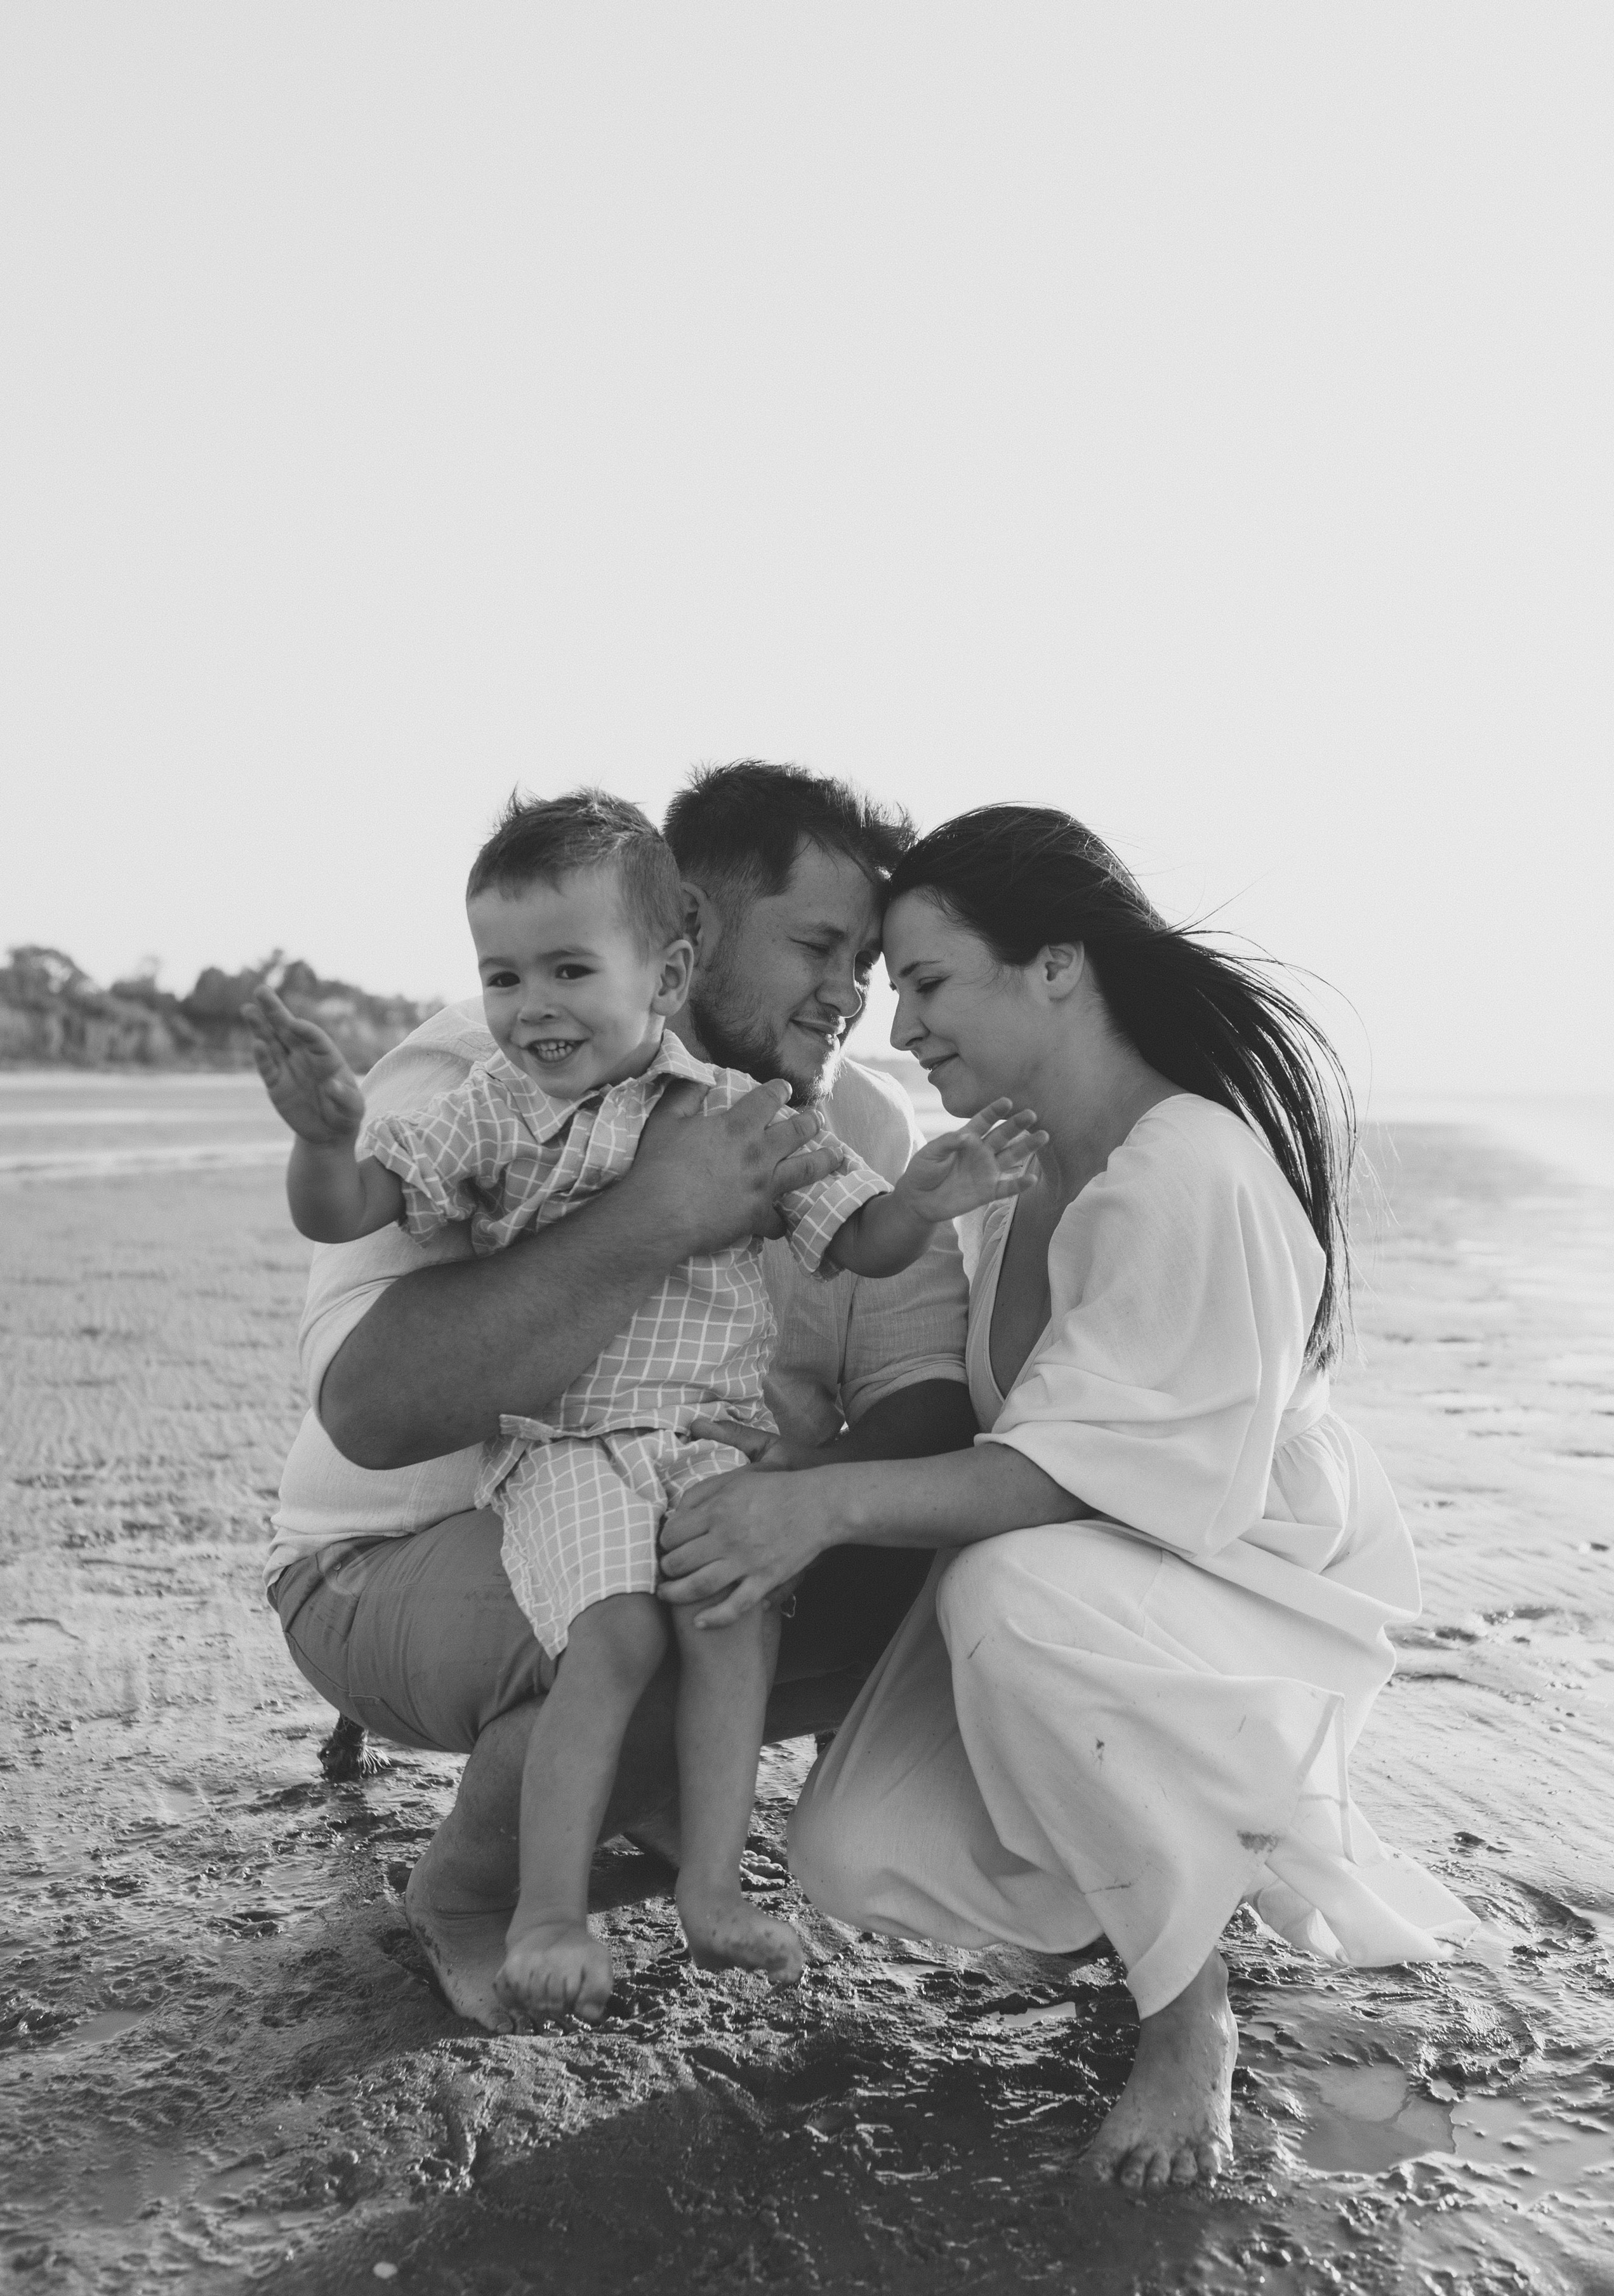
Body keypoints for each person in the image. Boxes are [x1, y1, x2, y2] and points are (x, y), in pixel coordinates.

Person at [659, 804, 1478, 2192]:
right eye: (889, 986)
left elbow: (1066, 1474)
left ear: (1054, 965)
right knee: (855, 1851)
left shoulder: (1186, 1167)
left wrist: (817, 1508)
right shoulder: (1016, 1169)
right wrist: (785, 1466)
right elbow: (1012, 1423)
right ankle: (1148, 1902)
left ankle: (1186, 2017)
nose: (897, 1025)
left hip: (1233, 1573)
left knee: (1002, 1587)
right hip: (1092, 1571)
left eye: (924, 981)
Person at [249, 792, 1038, 2022]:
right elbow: (372, 1406)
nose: (851, 995)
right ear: (694, 937)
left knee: (905, 1566)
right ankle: (470, 1898)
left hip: (681, 1488)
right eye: (818, 950)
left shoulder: (851, 1119)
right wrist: (665, 1209)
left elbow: (922, 1400)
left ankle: (669, 1811)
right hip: (384, 1565)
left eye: (869, 965)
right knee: (639, 1624)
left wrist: (792, 1505)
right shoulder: (496, 1067)